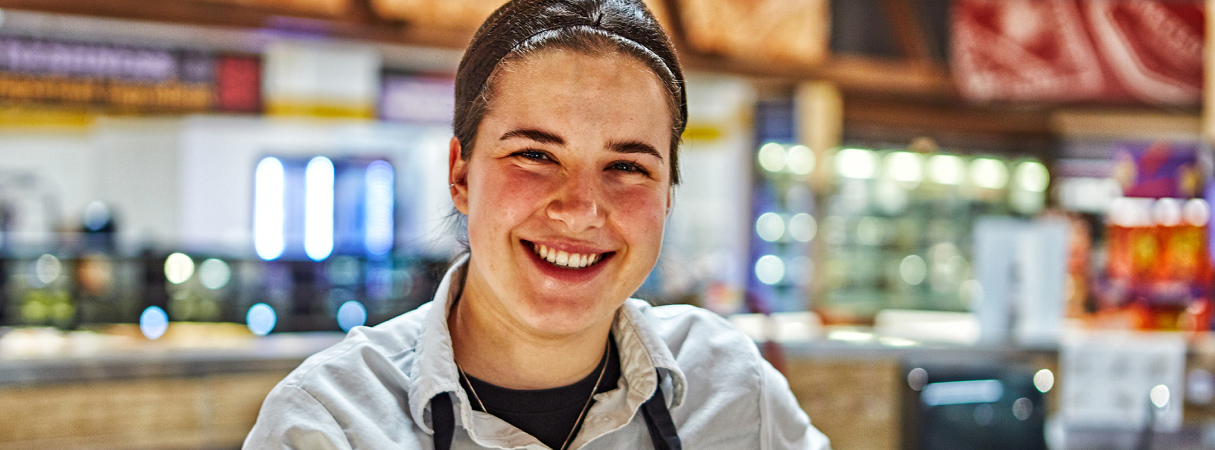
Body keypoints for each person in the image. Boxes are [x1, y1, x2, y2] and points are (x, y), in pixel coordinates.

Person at [243, 0, 829, 448]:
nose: (580, 208)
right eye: (535, 155)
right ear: (462, 175)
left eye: (626, 166)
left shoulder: (730, 388)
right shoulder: (330, 422)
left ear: (668, 195)